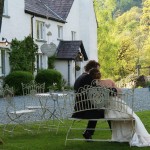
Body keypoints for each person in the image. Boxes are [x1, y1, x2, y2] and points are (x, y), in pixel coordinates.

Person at [89, 68, 150, 147]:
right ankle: (132, 135)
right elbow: (119, 91)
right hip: (116, 104)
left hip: (109, 107)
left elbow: (98, 100)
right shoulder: (109, 81)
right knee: (132, 116)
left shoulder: (94, 84)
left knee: (127, 115)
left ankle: (123, 136)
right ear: (99, 74)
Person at [73, 60, 104, 140]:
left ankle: (88, 132)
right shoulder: (88, 78)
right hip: (84, 109)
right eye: (97, 70)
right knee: (109, 111)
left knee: (100, 110)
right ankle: (116, 134)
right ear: (92, 69)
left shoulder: (80, 77)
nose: (98, 72)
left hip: (80, 107)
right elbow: (97, 92)